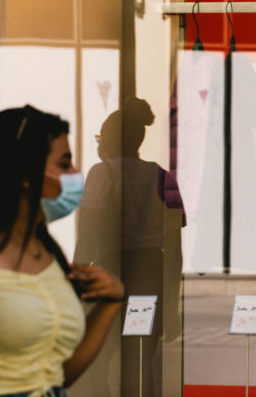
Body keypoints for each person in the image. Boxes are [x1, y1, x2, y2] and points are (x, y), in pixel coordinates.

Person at [0, 104, 125, 397]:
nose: (76, 174)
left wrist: (111, 302)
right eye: (64, 164)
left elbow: (57, 374)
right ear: (25, 175)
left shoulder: (48, 254)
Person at [75, 97, 184, 397]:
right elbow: (174, 248)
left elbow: (87, 236)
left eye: (101, 137)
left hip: (110, 277)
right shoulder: (164, 178)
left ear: (109, 140)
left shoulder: (101, 174)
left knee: (100, 363)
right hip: (150, 278)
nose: (98, 144)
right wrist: (172, 306)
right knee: (139, 361)